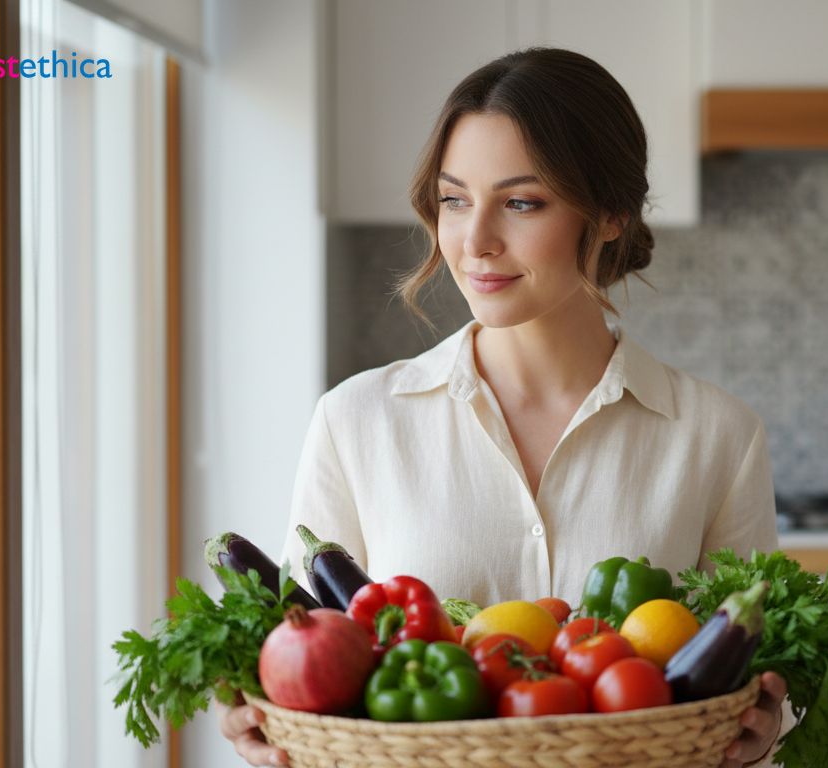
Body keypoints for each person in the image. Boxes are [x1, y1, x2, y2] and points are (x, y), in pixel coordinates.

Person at [219, 47, 788, 767]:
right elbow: (306, 660)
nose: (475, 241)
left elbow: (756, 677)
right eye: (455, 199)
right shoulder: (356, 420)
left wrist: (767, 729)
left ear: (611, 213)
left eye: (521, 202)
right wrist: (261, 721)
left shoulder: (717, 437)